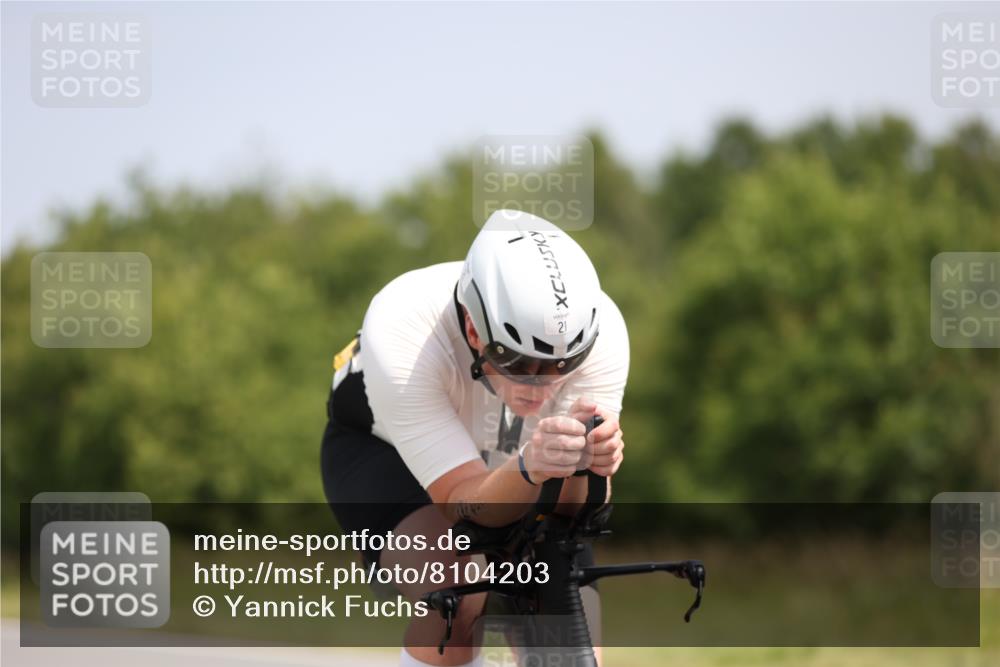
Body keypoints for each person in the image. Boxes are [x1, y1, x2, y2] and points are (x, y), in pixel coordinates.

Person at [321, 209, 629, 667]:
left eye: (561, 368)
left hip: (518, 454)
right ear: (472, 329)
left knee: (570, 624)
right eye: (518, 364)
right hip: (386, 453)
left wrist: (594, 467)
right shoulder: (404, 323)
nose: (540, 388)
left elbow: (570, 515)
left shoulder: (603, 334)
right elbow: (463, 506)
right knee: (455, 590)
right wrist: (530, 467)